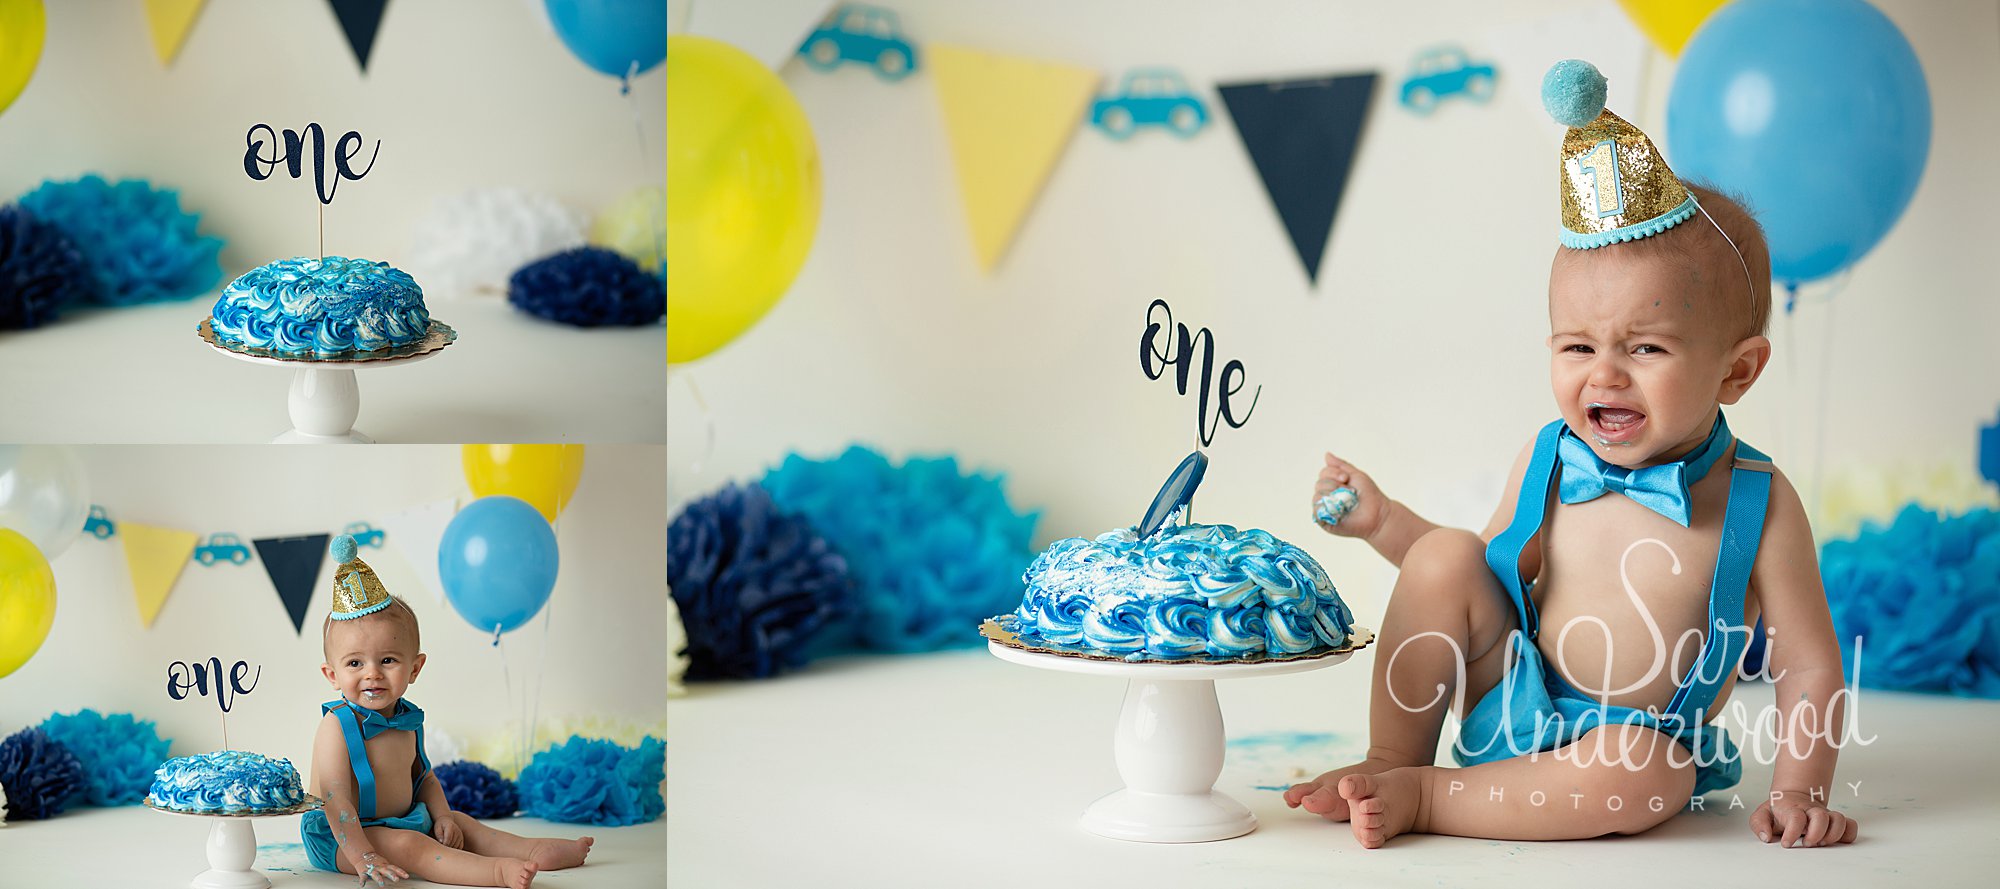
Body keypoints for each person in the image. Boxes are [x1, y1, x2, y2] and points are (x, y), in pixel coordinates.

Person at [1283, 61, 1859, 850]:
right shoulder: (1550, 455)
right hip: (1509, 693)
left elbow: (1807, 666)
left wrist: (1800, 789)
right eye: (1577, 345)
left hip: (1624, 747)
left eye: (1646, 346)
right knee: (1448, 554)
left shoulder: (1760, 501)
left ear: (1737, 370)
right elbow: (1481, 581)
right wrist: (1384, 523)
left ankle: (1432, 797)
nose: (1605, 373)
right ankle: (1394, 756)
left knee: (1650, 771)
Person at [300, 534, 593, 886]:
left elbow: (423, 777)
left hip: (401, 819)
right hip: (342, 838)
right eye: (354, 663)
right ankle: (496, 872)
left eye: (388, 660)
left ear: (415, 668)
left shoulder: (407, 719)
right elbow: (336, 801)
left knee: (460, 823)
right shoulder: (336, 726)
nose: (372, 673)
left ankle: (529, 849)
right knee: (410, 844)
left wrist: (441, 817)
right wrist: (363, 856)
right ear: (332, 675)